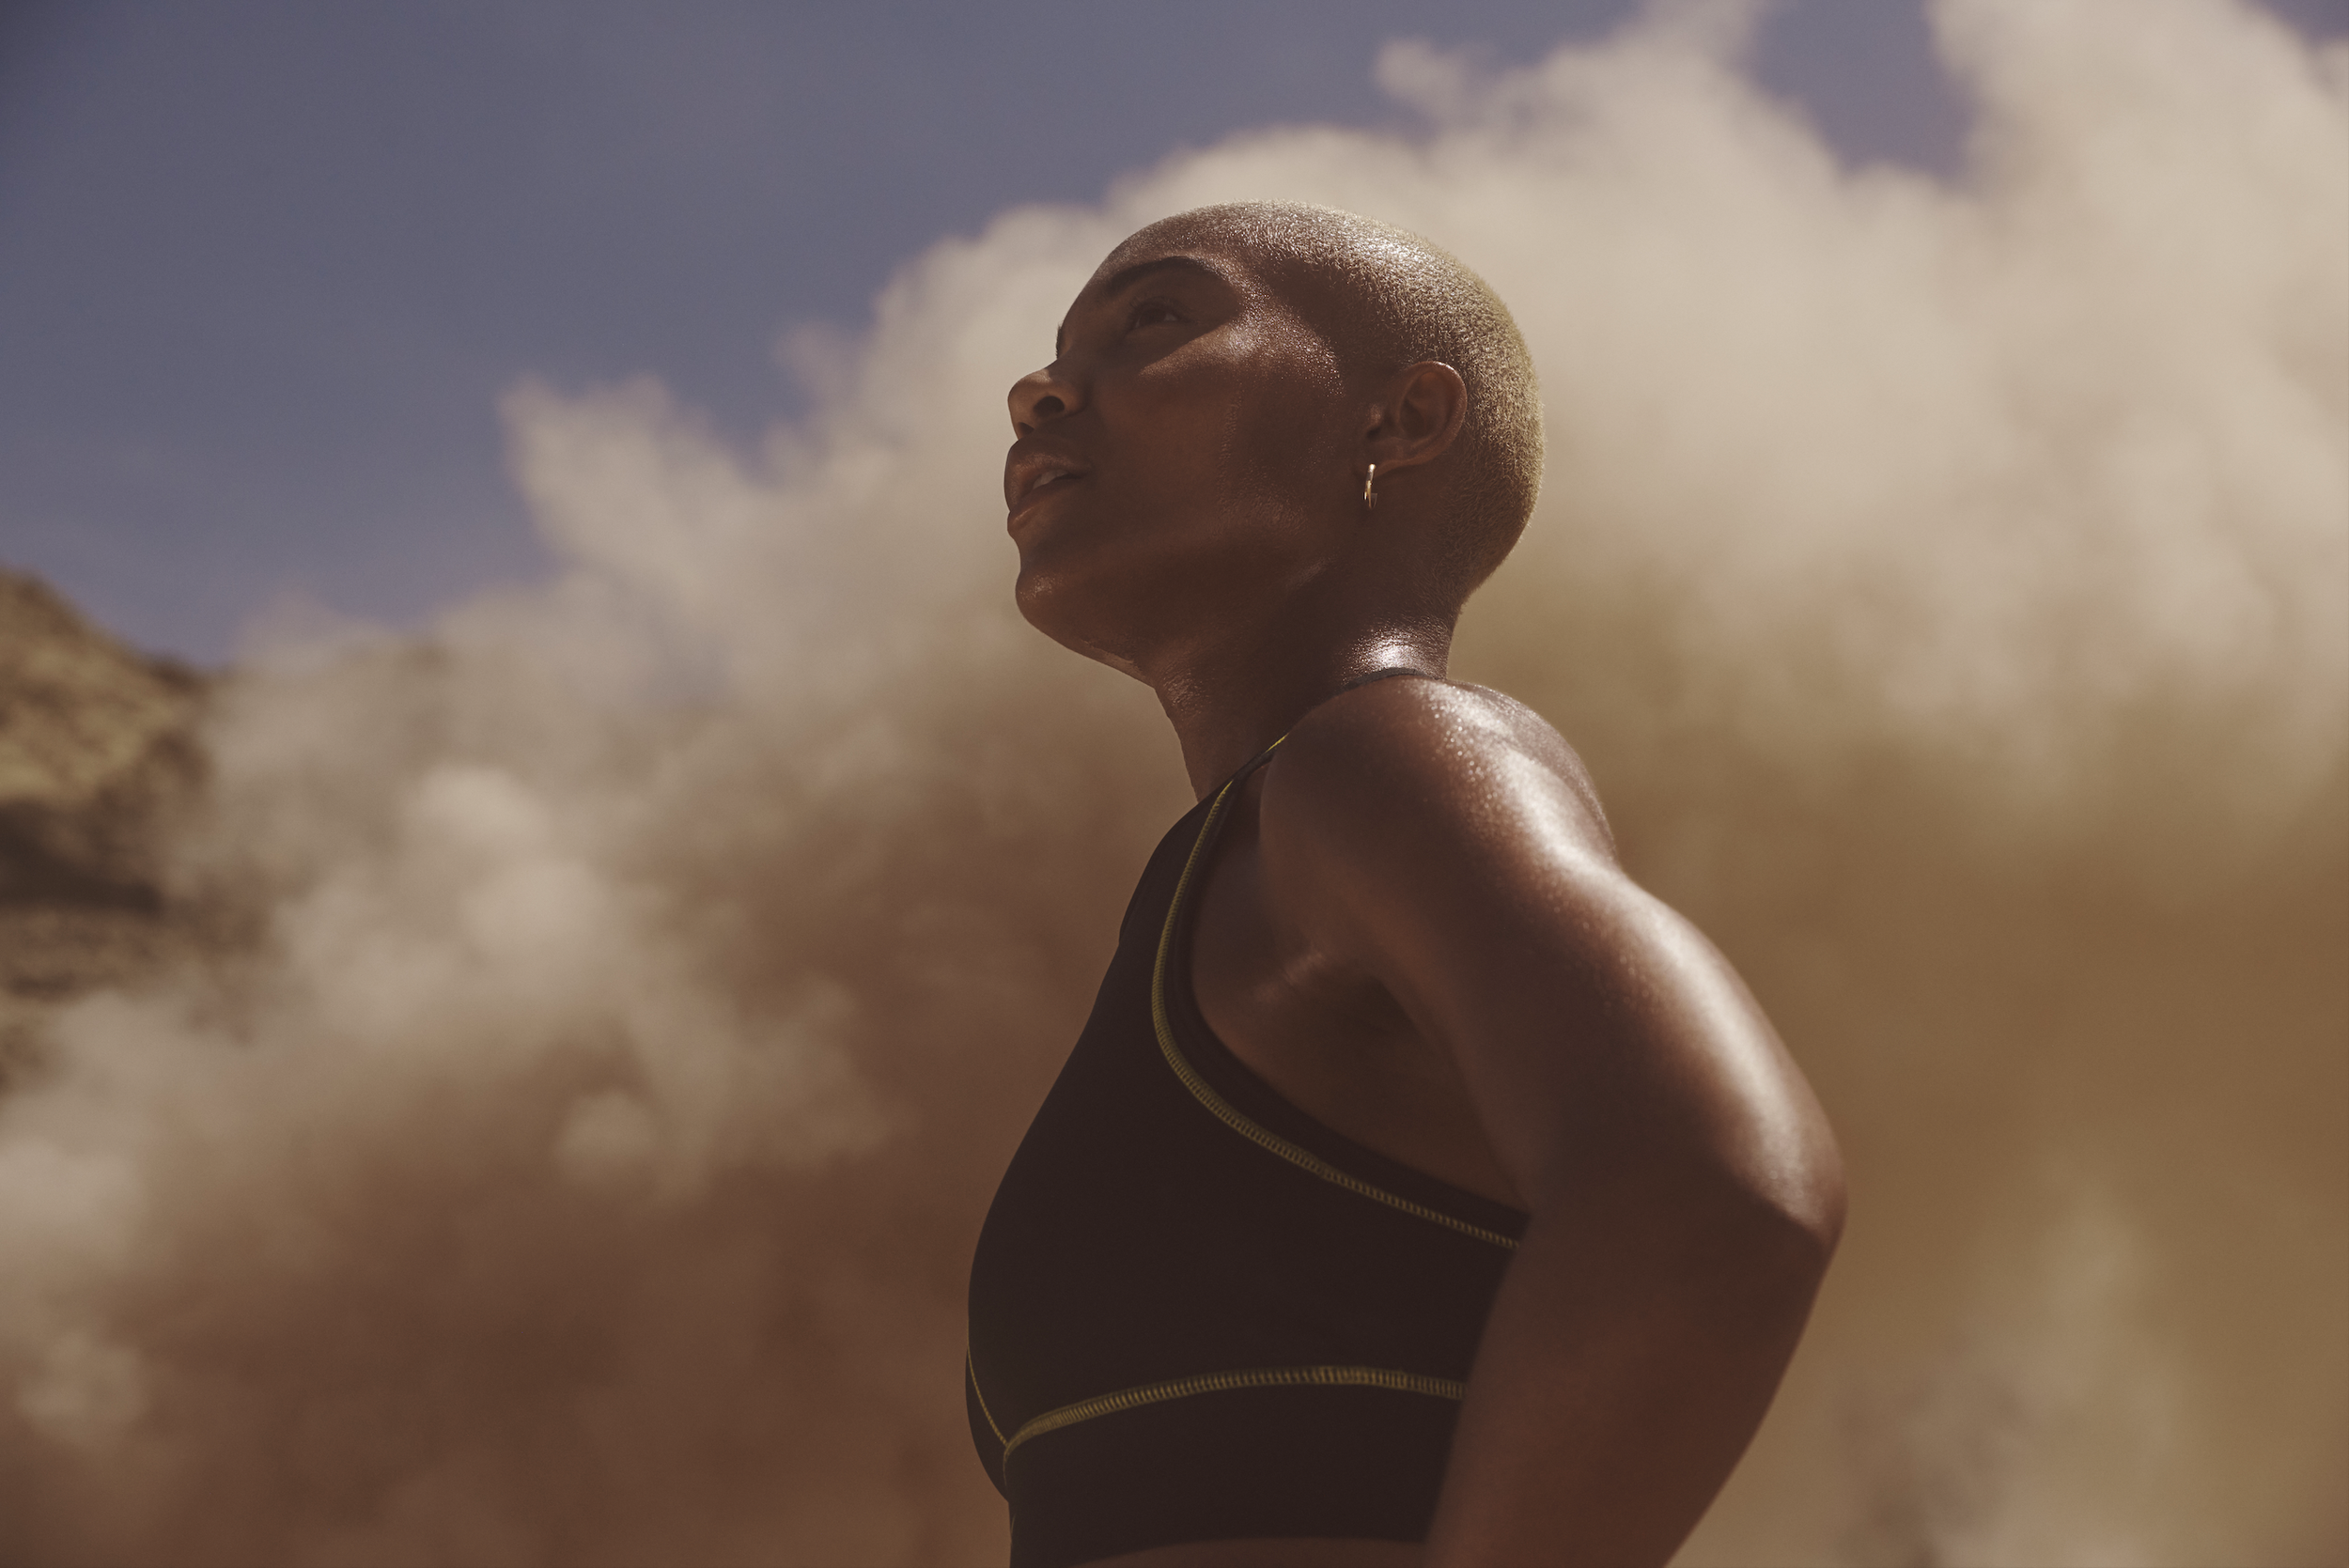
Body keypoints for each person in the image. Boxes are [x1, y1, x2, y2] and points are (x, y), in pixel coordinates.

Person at [965, 202, 1843, 1568]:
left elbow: (1717, 1184)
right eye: (1053, 352)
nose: (1041, 389)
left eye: (1155, 319)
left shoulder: (1386, 760)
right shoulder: (1232, 868)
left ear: (1403, 422)